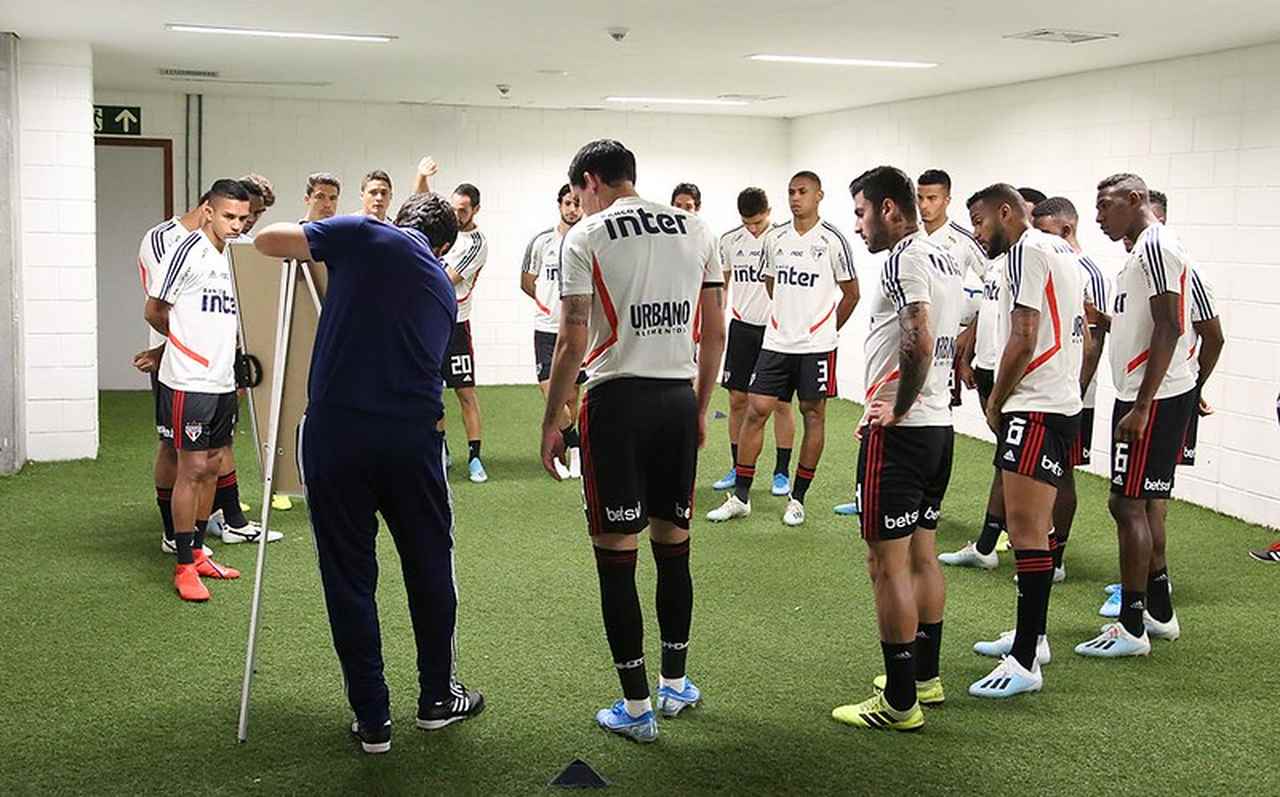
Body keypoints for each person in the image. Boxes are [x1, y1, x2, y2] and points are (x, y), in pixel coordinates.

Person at [253, 191, 485, 755]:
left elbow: (266, 241)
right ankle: (436, 700)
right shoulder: (442, 289)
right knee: (429, 565)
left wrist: (324, 239)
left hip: (336, 436)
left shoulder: (365, 233)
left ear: (399, 219)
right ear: (445, 245)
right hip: (412, 439)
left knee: (349, 576)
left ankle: (373, 720)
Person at [539, 139, 724, 742]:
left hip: (616, 401)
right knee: (674, 543)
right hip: (675, 399)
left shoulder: (586, 235)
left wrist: (552, 421)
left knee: (617, 556)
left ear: (591, 181)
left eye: (578, 192)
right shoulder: (697, 228)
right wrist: (699, 407)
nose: (578, 203)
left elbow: (570, 335)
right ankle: (675, 684)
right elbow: (715, 331)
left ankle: (638, 708)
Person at [830, 166, 962, 732]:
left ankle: (900, 703)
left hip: (905, 435)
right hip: (940, 431)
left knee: (886, 567)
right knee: (922, 555)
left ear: (888, 209)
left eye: (860, 212)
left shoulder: (905, 257)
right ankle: (924, 678)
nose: (856, 225)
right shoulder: (946, 256)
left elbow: (919, 334)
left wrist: (900, 405)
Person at [964, 183, 1085, 698]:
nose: (976, 232)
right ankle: (1032, 640)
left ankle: (1025, 660)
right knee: (1032, 529)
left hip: (1033, 403)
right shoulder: (1059, 248)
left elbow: (1025, 332)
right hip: (1059, 402)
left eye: (979, 221)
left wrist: (997, 400)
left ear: (1006, 212)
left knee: (1027, 530)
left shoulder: (1024, 252)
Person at [1076, 173, 1200, 658]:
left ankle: (1131, 627)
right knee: (1143, 503)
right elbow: (1148, 323)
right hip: (1145, 392)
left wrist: (1144, 405)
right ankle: (1160, 613)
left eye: (1105, 205)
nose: (1099, 216)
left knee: (1126, 504)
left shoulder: (1156, 245)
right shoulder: (1144, 251)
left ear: (1135, 201)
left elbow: (1172, 325)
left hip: (1153, 396)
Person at [706, 171, 859, 527]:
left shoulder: (833, 239)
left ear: (819, 195)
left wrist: (826, 331)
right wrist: (788, 319)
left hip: (816, 347)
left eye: (802, 192)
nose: (795, 197)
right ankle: (741, 496)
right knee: (756, 410)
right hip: (775, 343)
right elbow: (772, 284)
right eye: (790, 192)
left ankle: (797, 498)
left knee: (812, 415)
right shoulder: (775, 239)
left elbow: (851, 293)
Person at [143, 179, 253, 601]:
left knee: (211, 465)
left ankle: (200, 553)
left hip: (223, 381)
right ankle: (183, 565)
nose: (237, 225)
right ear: (207, 211)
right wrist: (183, 346)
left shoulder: (237, 257)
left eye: (243, 218)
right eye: (229, 216)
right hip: (189, 380)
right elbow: (154, 309)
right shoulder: (185, 252)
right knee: (191, 469)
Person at [939, 185, 1044, 568]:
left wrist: (1001, 394)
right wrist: (967, 355)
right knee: (1005, 460)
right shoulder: (1001, 261)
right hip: (989, 370)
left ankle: (1033, 545)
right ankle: (987, 545)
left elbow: (1028, 331)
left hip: (1020, 382)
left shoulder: (1033, 258)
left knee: (1022, 466)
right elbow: (989, 312)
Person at [1031, 197, 1109, 579]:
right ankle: (1039, 547)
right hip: (1045, 391)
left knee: (1062, 473)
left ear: (1066, 230)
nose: (1038, 240)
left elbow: (1093, 342)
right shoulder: (1046, 263)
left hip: (1074, 395)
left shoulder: (1088, 272)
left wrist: (1076, 391)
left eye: (1044, 232)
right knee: (1040, 472)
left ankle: (1056, 556)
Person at [711, 187, 796, 498]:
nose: (753, 228)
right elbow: (723, 284)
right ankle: (738, 467)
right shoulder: (729, 240)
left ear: (769, 212)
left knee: (782, 404)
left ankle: (781, 472)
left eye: (758, 222)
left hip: (777, 333)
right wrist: (716, 322)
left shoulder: (784, 240)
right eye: (748, 223)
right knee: (737, 401)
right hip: (742, 330)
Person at [521, 183, 584, 480]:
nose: (572, 209)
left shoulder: (588, 241)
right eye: (568, 203)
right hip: (546, 328)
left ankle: (566, 454)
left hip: (579, 329)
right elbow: (527, 281)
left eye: (577, 203)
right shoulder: (540, 242)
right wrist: (548, 306)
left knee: (572, 394)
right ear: (559, 204)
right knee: (551, 392)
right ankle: (575, 442)